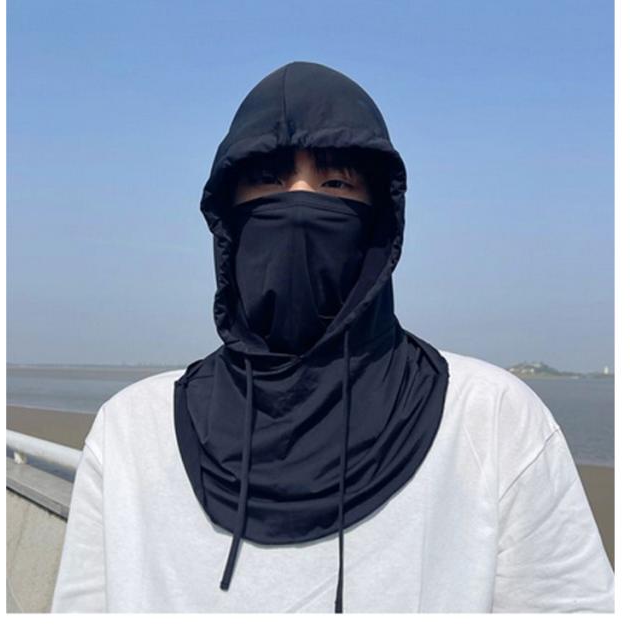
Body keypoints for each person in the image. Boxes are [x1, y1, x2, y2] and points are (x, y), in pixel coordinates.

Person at [51, 61, 614, 613]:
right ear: (227, 220)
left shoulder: (492, 419)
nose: (301, 205)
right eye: (269, 180)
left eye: (336, 182)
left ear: (380, 220)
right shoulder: (130, 433)